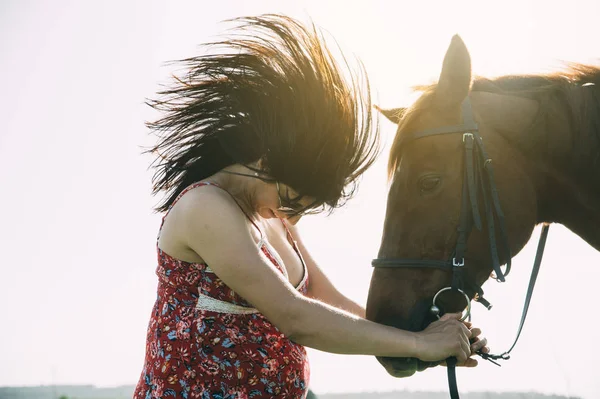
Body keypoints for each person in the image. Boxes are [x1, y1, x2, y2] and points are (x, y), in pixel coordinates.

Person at [133, 14, 488, 399]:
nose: (293, 217)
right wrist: (421, 346)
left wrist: (422, 334)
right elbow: (294, 316)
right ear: (267, 161)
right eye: (293, 200)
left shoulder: (272, 215)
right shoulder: (205, 207)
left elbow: (322, 298)